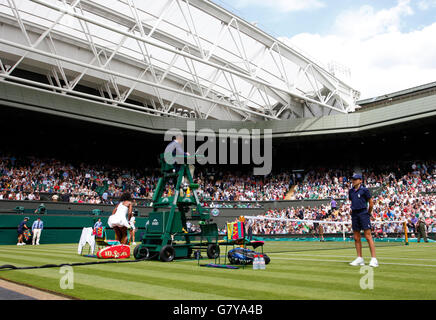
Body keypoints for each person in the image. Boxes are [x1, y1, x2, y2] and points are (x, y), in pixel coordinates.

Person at [348, 174, 378, 267]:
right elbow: (352, 201)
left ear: (360, 180)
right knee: (356, 237)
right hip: (355, 214)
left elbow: (371, 203)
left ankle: (374, 259)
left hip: (363, 213)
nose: (353, 181)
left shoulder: (365, 190)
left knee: (368, 236)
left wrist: (368, 213)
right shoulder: (351, 191)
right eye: (353, 179)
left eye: (355, 179)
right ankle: (359, 258)